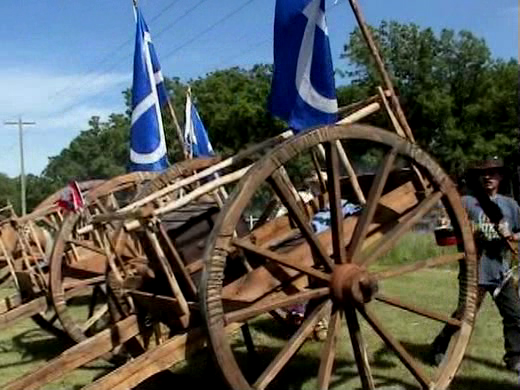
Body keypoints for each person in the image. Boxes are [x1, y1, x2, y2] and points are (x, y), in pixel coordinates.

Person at [430, 157, 520, 373]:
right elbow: (448, 223)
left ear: (500, 176)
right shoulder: (467, 202)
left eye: (493, 173)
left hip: (501, 272)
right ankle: (439, 345)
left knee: (515, 316)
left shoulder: (511, 205)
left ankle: (515, 358)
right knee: (464, 314)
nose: (488, 177)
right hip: (475, 271)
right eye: (484, 173)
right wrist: (448, 224)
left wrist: (513, 236)